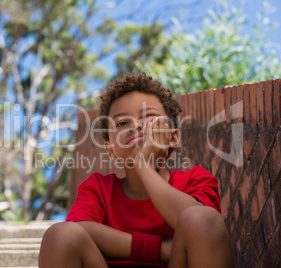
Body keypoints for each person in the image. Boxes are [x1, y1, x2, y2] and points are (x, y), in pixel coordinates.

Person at [38, 72, 235, 268]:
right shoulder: (98, 188)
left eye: (150, 118)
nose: (137, 126)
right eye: (122, 123)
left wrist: (144, 166)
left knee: (201, 217)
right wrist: (158, 250)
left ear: (173, 138)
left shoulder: (196, 180)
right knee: (59, 235)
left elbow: (202, 227)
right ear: (110, 149)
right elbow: (77, 229)